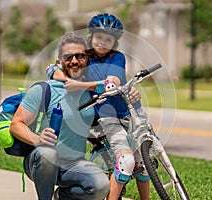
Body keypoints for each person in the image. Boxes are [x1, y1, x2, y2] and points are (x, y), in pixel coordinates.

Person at [47, 13, 150, 200]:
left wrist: (114, 82)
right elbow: (53, 68)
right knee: (126, 160)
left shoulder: (117, 57)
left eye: (108, 39)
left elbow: (115, 78)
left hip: (129, 110)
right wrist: (64, 77)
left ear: (115, 42)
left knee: (145, 162)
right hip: (106, 114)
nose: (103, 42)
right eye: (99, 37)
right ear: (91, 37)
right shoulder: (83, 57)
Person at [10, 32, 110, 200]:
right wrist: (37, 139)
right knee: (48, 154)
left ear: (87, 58)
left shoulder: (87, 90)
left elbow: (112, 86)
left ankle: (62, 196)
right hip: (41, 159)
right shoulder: (44, 89)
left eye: (80, 56)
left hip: (74, 164)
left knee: (101, 187)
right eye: (68, 56)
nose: (74, 61)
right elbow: (16, 124)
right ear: (60, 59)